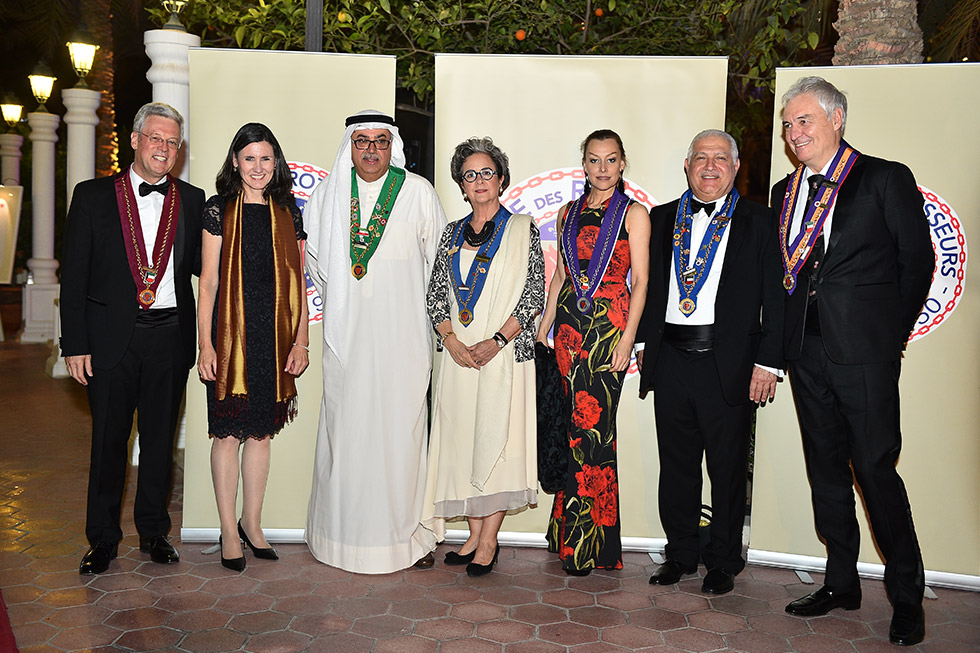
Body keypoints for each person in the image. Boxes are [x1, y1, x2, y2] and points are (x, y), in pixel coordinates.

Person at [772, 76, 933, 646]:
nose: (794, 133)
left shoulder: (884, 177)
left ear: (836, 119)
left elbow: (917, 261)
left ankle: (907, 597)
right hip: (806, 353)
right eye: (788, 125)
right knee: (826, 472)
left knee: (874, 470)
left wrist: (889, 338)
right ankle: (840, 582)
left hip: (864, 355)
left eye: (804, 120)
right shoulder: (784, 191)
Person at [635, 129, 784, 595]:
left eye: (721, 158)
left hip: (730, 363)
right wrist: (642, 345)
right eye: (701, 157)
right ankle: (680, 553)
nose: (710, 166)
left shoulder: (762, 221)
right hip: (671, 360)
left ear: (736, 167)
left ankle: (723, 559)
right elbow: (645, 286)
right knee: (676, 465)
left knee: (727, 468)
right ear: (687, 165)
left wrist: (769, 362)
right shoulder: (660, 218)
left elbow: (777, 298)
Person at [60, 102, 205, 575]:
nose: (163, 148)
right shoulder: (92, 196)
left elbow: (205, 271)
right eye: (155, 138)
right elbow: (74, 274)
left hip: (170, 338)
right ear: (136, 140)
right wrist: (74, 343)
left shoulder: (193, 199)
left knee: (160, 443)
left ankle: (154, 532)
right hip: (108, 341)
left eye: (172, 142)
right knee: (108, 442)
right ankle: (102, 539)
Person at [304, 110, 447, 574]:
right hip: (346, 341)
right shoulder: (327, 195)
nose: (371, 150)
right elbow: (316, 265)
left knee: (400, 438)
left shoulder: (418, 192)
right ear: (350, 145)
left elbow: (439, 266)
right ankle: (339, 539)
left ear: (393, 146)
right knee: (345, 437)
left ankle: (406, 539)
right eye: (362, 141)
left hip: (403, 341)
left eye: (380, 141)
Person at [421, 137, 545, 577]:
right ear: (460, 184)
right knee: (462, 443)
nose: (479, 181)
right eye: (469, 175)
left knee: (499, 443)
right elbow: (435, 294)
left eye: (487, 173)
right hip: (459, 358)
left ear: (502, 180)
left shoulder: (522, 229)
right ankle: (473, 536)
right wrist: (451, 340)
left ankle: (489, 540)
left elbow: (533, 294)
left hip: (503, 354)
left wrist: (495, 341)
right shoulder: (451, 233)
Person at [536, 129, 650, 575]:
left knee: (594, 430)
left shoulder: (634, 214)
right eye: (594, 159)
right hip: (568, 331)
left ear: (622, 164)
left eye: (611, 159)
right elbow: (561, 276)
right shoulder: (567, 213)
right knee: (571, 427)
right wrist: (545, 324)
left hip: (608, 331)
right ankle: (565, 532)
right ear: (583, 164)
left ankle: (588, 544)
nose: (602, 168)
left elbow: (641, 281)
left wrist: (628, 340)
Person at [196, 123, 309, 572]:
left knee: (260, 433)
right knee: (227, 434)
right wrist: (205, 345)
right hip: (230, 338)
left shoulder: (288, 212)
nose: (258, 167)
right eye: (249, 158)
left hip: (274, 338)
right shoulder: (217, 209)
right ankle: (228, 530)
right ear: (235, 162)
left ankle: (252, 523)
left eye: (265, 158)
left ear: (275, 162)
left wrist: (301, 340)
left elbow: (300, 282)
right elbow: (208, 283)